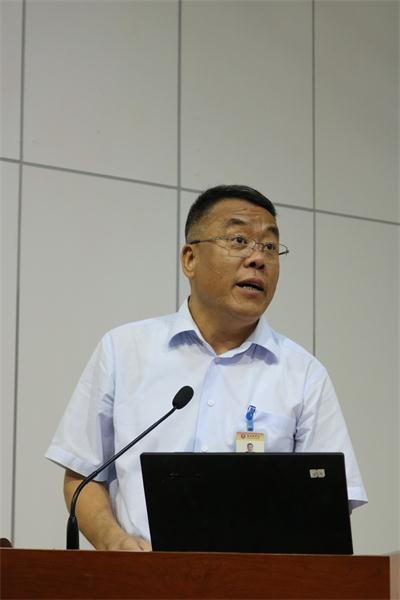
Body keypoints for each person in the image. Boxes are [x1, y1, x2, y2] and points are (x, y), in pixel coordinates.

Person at [46, 184, 367, 552]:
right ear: (190, 259)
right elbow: (82, 475)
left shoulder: (303, 374)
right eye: (239, 240)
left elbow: (329, 503)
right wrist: (114, 542)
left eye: (269, 246)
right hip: (142, 575)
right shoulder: (124, 350)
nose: (258, 259)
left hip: (256, 580)